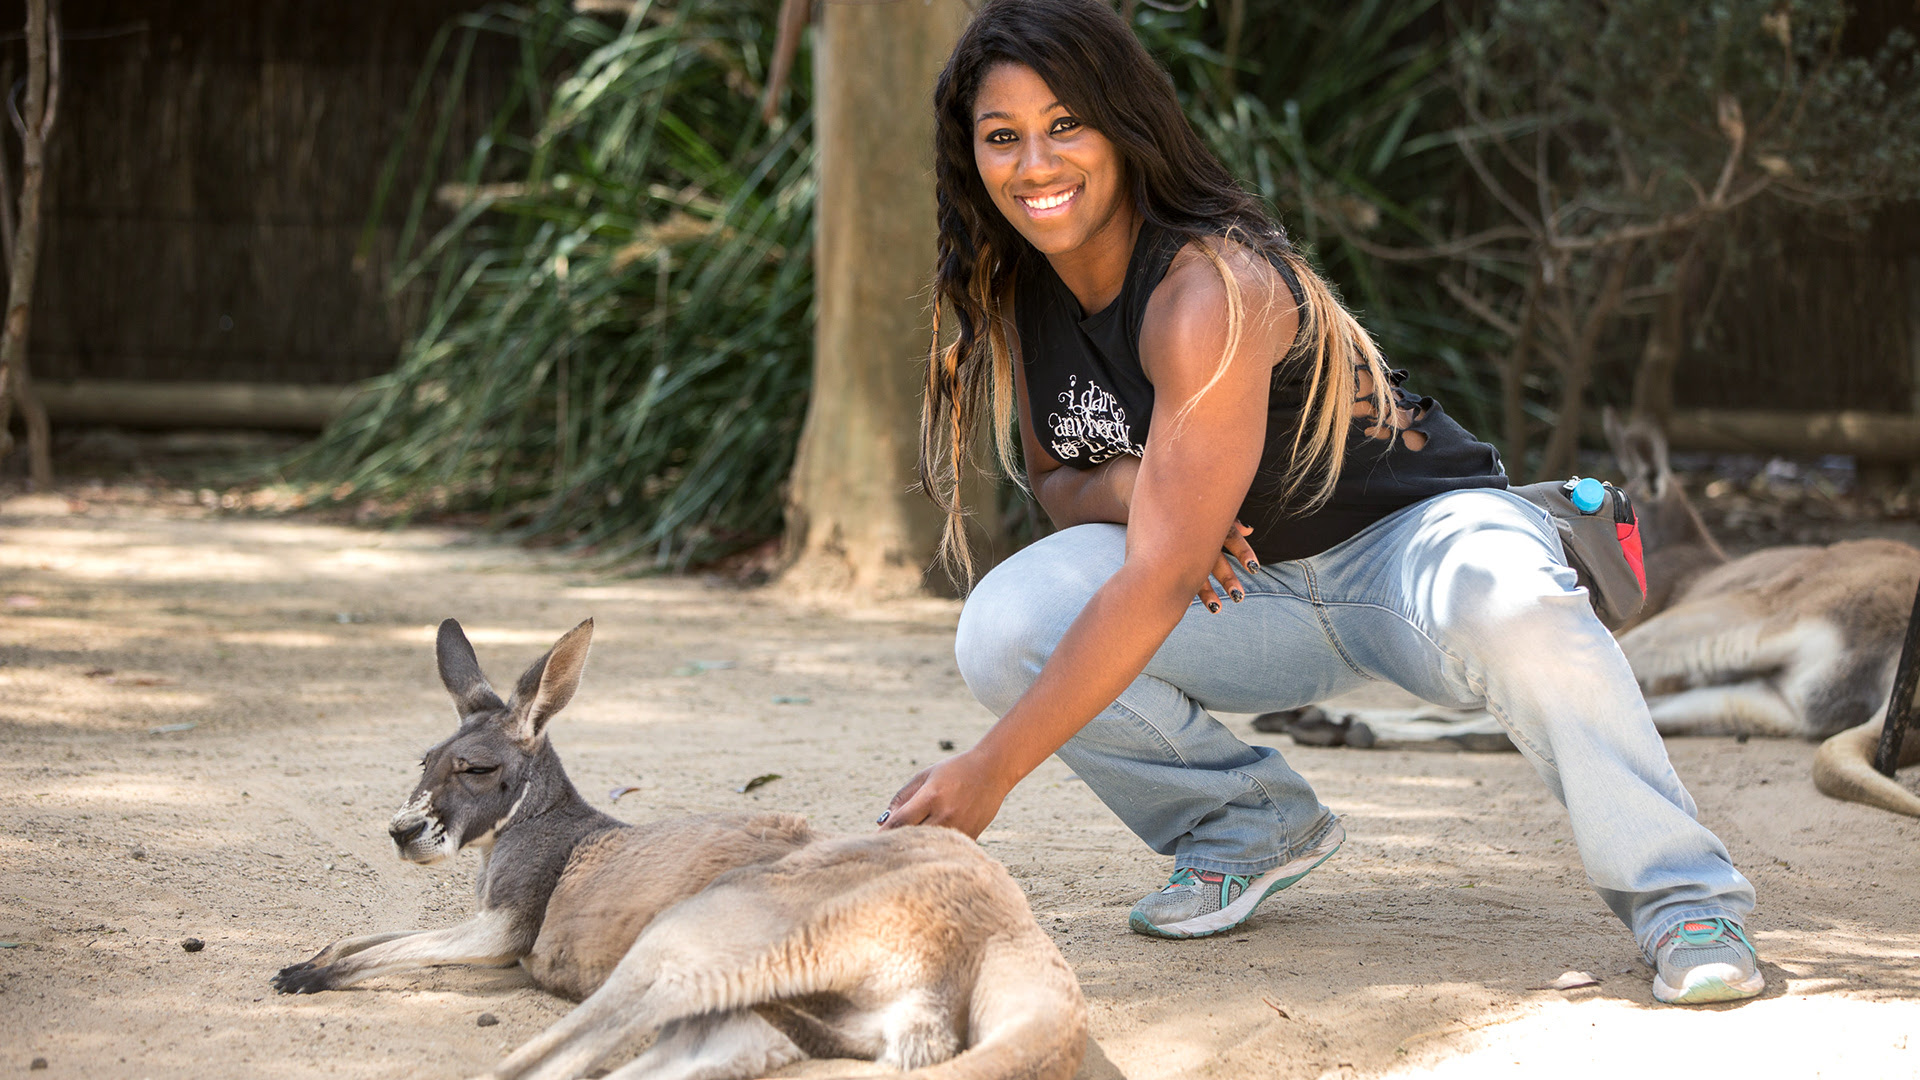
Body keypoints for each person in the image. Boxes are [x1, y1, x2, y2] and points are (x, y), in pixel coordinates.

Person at [880, 0, 1763, 1006]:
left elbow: (1160, 576)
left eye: (1065, 125)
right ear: (973, 156)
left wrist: (990, 771)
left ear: (1123, 127)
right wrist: (1147, 491)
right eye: (1004, 138)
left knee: (1510, 603)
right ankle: (1244, 824)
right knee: (1004, 626)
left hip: (1408, 554)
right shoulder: (1021, 288)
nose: (1036, 164)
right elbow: (1055, 482)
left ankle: (1684, 896)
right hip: (1252, 593)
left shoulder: (1209, 284)